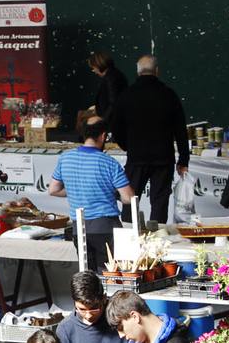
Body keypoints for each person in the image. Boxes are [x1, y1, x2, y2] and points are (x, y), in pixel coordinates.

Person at [106, 55, 189, 223]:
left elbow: (115, 127)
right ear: (157, 71)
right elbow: (180, 130)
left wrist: (127, 145)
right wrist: (183, 159)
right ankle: (158, 238)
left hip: (136, 156)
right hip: (163, 158)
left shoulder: (127, 95)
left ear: (137, 72)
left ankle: (130, 234)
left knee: (130, 199)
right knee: (159, 201)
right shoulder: (169, 94)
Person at [49, 115, 136, 269]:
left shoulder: (65, 158)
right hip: (106, 228)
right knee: (113, 277)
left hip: (79, 229)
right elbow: (129, 198)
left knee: (89, 279)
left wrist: (79, 190)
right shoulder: (109, 162)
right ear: (103, 136)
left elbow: (53, 190)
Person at [86, 51, 128, 117]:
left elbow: (113, 104)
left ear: (98, 65)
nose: (93, 71)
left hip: (110, 121)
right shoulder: (114, 74)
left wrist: (103, 122)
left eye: (93, 68)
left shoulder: (111, 78)